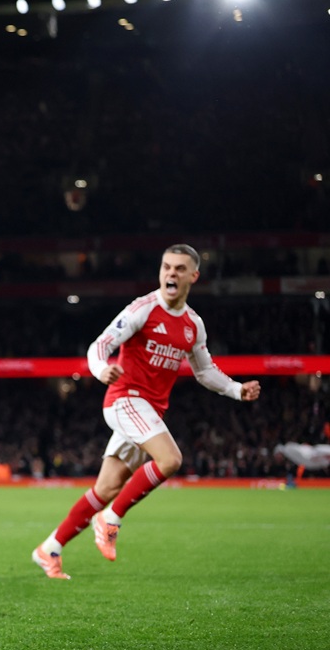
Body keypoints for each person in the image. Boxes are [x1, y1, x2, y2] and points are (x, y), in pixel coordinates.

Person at [32, 244, 261, 579]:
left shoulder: (193, 325)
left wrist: (236, 390)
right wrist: (100, 369)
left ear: (193, 276)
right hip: (125, 400)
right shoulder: (142, 309)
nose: (171, 273)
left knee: (105, 490)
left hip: (148, 410)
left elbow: (204, 370)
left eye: (180, 269)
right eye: (166, 266)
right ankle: (111, 520)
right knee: (170, 459)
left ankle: (49, 549)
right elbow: (100, 345)